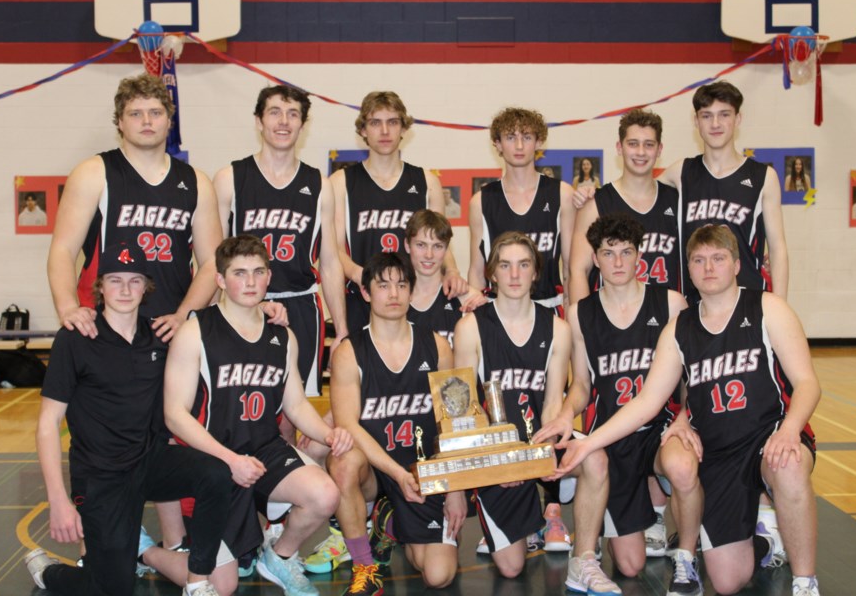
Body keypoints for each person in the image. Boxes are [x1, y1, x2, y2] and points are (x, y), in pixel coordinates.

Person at [553, 225, 822, 596]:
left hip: (770, 434)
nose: (708, 267)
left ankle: (805, 583)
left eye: (718, 258)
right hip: (718, 454)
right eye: (698, 260)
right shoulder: (680, 328)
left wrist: (790, 429)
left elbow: (808, 383)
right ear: (690, 269)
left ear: (736, 264)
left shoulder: (767, 307)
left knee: (787, 465)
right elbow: (648, 402)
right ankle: (764, 542)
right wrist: (587, 443)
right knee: (727, 582)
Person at [25, 243, 232, 596]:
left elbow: (224, 324)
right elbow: (47, 425)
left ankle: (197, 584)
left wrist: (270, 309)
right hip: (100, 477)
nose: (124, 290)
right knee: (111, 588)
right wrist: (58, 501)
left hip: (148, 462)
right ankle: (50, 573)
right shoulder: (76, 339)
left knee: (216, 473)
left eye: (134, 281)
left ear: (146, 287)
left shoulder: (160, 336)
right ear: (100, 286)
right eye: (115, 280)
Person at [162, 235, 353, 596]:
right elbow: (174, 415)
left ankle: (278, 556)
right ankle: (147, 553)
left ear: (269, 277)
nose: (249, 282)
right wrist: (229, 459)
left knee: (325, 495)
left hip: (263, 451)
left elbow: (295, 406)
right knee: (224, 584)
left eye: (258, 272)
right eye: (239, 273)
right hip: (212, 461)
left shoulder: (283, 337)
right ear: (220, 280)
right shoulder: (194, 332)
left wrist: (328, 436)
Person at [536, 213, 696, 595]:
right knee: (630, 565)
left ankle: (687, 555)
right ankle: (631, 508)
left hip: (660, 430)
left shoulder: (671, 303)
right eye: (609, 253)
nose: (619, 262)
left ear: (640, 255)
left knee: (682, 465)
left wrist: (686, 417)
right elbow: (583, 386)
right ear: (595, 258)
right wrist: (563, 414)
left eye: (627, 252)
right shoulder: (580, 314)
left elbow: (693, 375)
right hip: (612, 436)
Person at [47, 73, 223, 343]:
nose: (147, 121)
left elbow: (212, 261)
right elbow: (62, 249)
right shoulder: (93, 173)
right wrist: (68, 307)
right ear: (120, 121)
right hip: (103, 325)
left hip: (169, 326)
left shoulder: (196, 182)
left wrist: (185, 315)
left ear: (169, 120)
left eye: (155, 112)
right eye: (135, 114)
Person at [327, 252, 464, 596]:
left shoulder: (437, 347)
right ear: (367, 293)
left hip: (424, 474)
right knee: (342, 460)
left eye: (402, 285)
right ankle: (365, 566)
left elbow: (454, 422)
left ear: (411, 291)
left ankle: (388, 523)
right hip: (377, 470)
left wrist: (457, 488)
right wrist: (397, 474)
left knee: (439, 575)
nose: (393, 293)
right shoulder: (349, 352)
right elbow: (349, 425)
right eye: (383, 285)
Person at [214, 85, 348, 399]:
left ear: (303, 124)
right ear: (259, 121)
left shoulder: (319, 185)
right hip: (243, 304)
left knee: (297, 407)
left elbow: (329, 262)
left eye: (292, 114)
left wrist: (340, 327)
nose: (283, 122)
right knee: (240, 400)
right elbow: (213, 261)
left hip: (301, 305)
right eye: (274, 113)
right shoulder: (230, 178)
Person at [454, 232, 574, 574]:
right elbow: (462, 411)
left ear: (536, 272)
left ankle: (586, 556)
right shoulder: (469, 328)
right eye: (505, 266)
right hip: (493, 451)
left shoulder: (558, 329)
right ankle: (526, 522)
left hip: (538, 444)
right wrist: (500, 461)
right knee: (511, 568)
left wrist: (544, 447)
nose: (515, 275)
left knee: (594, 460)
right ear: (492, 273)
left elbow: (553, 401)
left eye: (524, 265)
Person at [329, 90, 465, 333]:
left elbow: (440, 243)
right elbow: (334, 249)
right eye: (375, 123)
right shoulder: (341, 182)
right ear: (363, 130)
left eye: (392, 122)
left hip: (413, 296)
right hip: (362, 297)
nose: (384, 131)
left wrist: (452, 271)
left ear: (403, 129)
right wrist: (362, 275)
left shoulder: (427, 182)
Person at [658, 81, 788, 301]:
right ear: (696, 121)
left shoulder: (763, 177)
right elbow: (634, 196)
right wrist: (590, 195)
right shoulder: (680, 172)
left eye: (724, 114)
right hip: (694, 301)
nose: (715, 123)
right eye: (706, 116)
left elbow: (778, 249)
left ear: (738, 119)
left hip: (748, 300)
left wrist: (781, 307)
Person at [469, 107, 576, 311]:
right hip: (497, 310)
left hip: (548, 308)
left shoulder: (562, 194)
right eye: (510, 137)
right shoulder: (481, 201)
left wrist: (572, 313)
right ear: (498, 145)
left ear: (538, 142)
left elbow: (571, 268)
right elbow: (476, 270)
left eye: (526, 137)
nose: (519, 145)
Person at [569, 108, 681, 302]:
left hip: (665, 317)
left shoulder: (676, 200)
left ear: (659, 149)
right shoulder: (596, 203)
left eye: (649, 144)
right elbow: (578, 271)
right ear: (619, 148)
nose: (640, 152)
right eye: (633, 144)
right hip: (611, 322)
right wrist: (584, 323)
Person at [405, 209, 486, 346]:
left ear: (446, 249)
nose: (429, 255)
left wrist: (486, 310)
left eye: (437, 246)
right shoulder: (394, 299)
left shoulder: (468, 299)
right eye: (421, 245)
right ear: (407, 246)